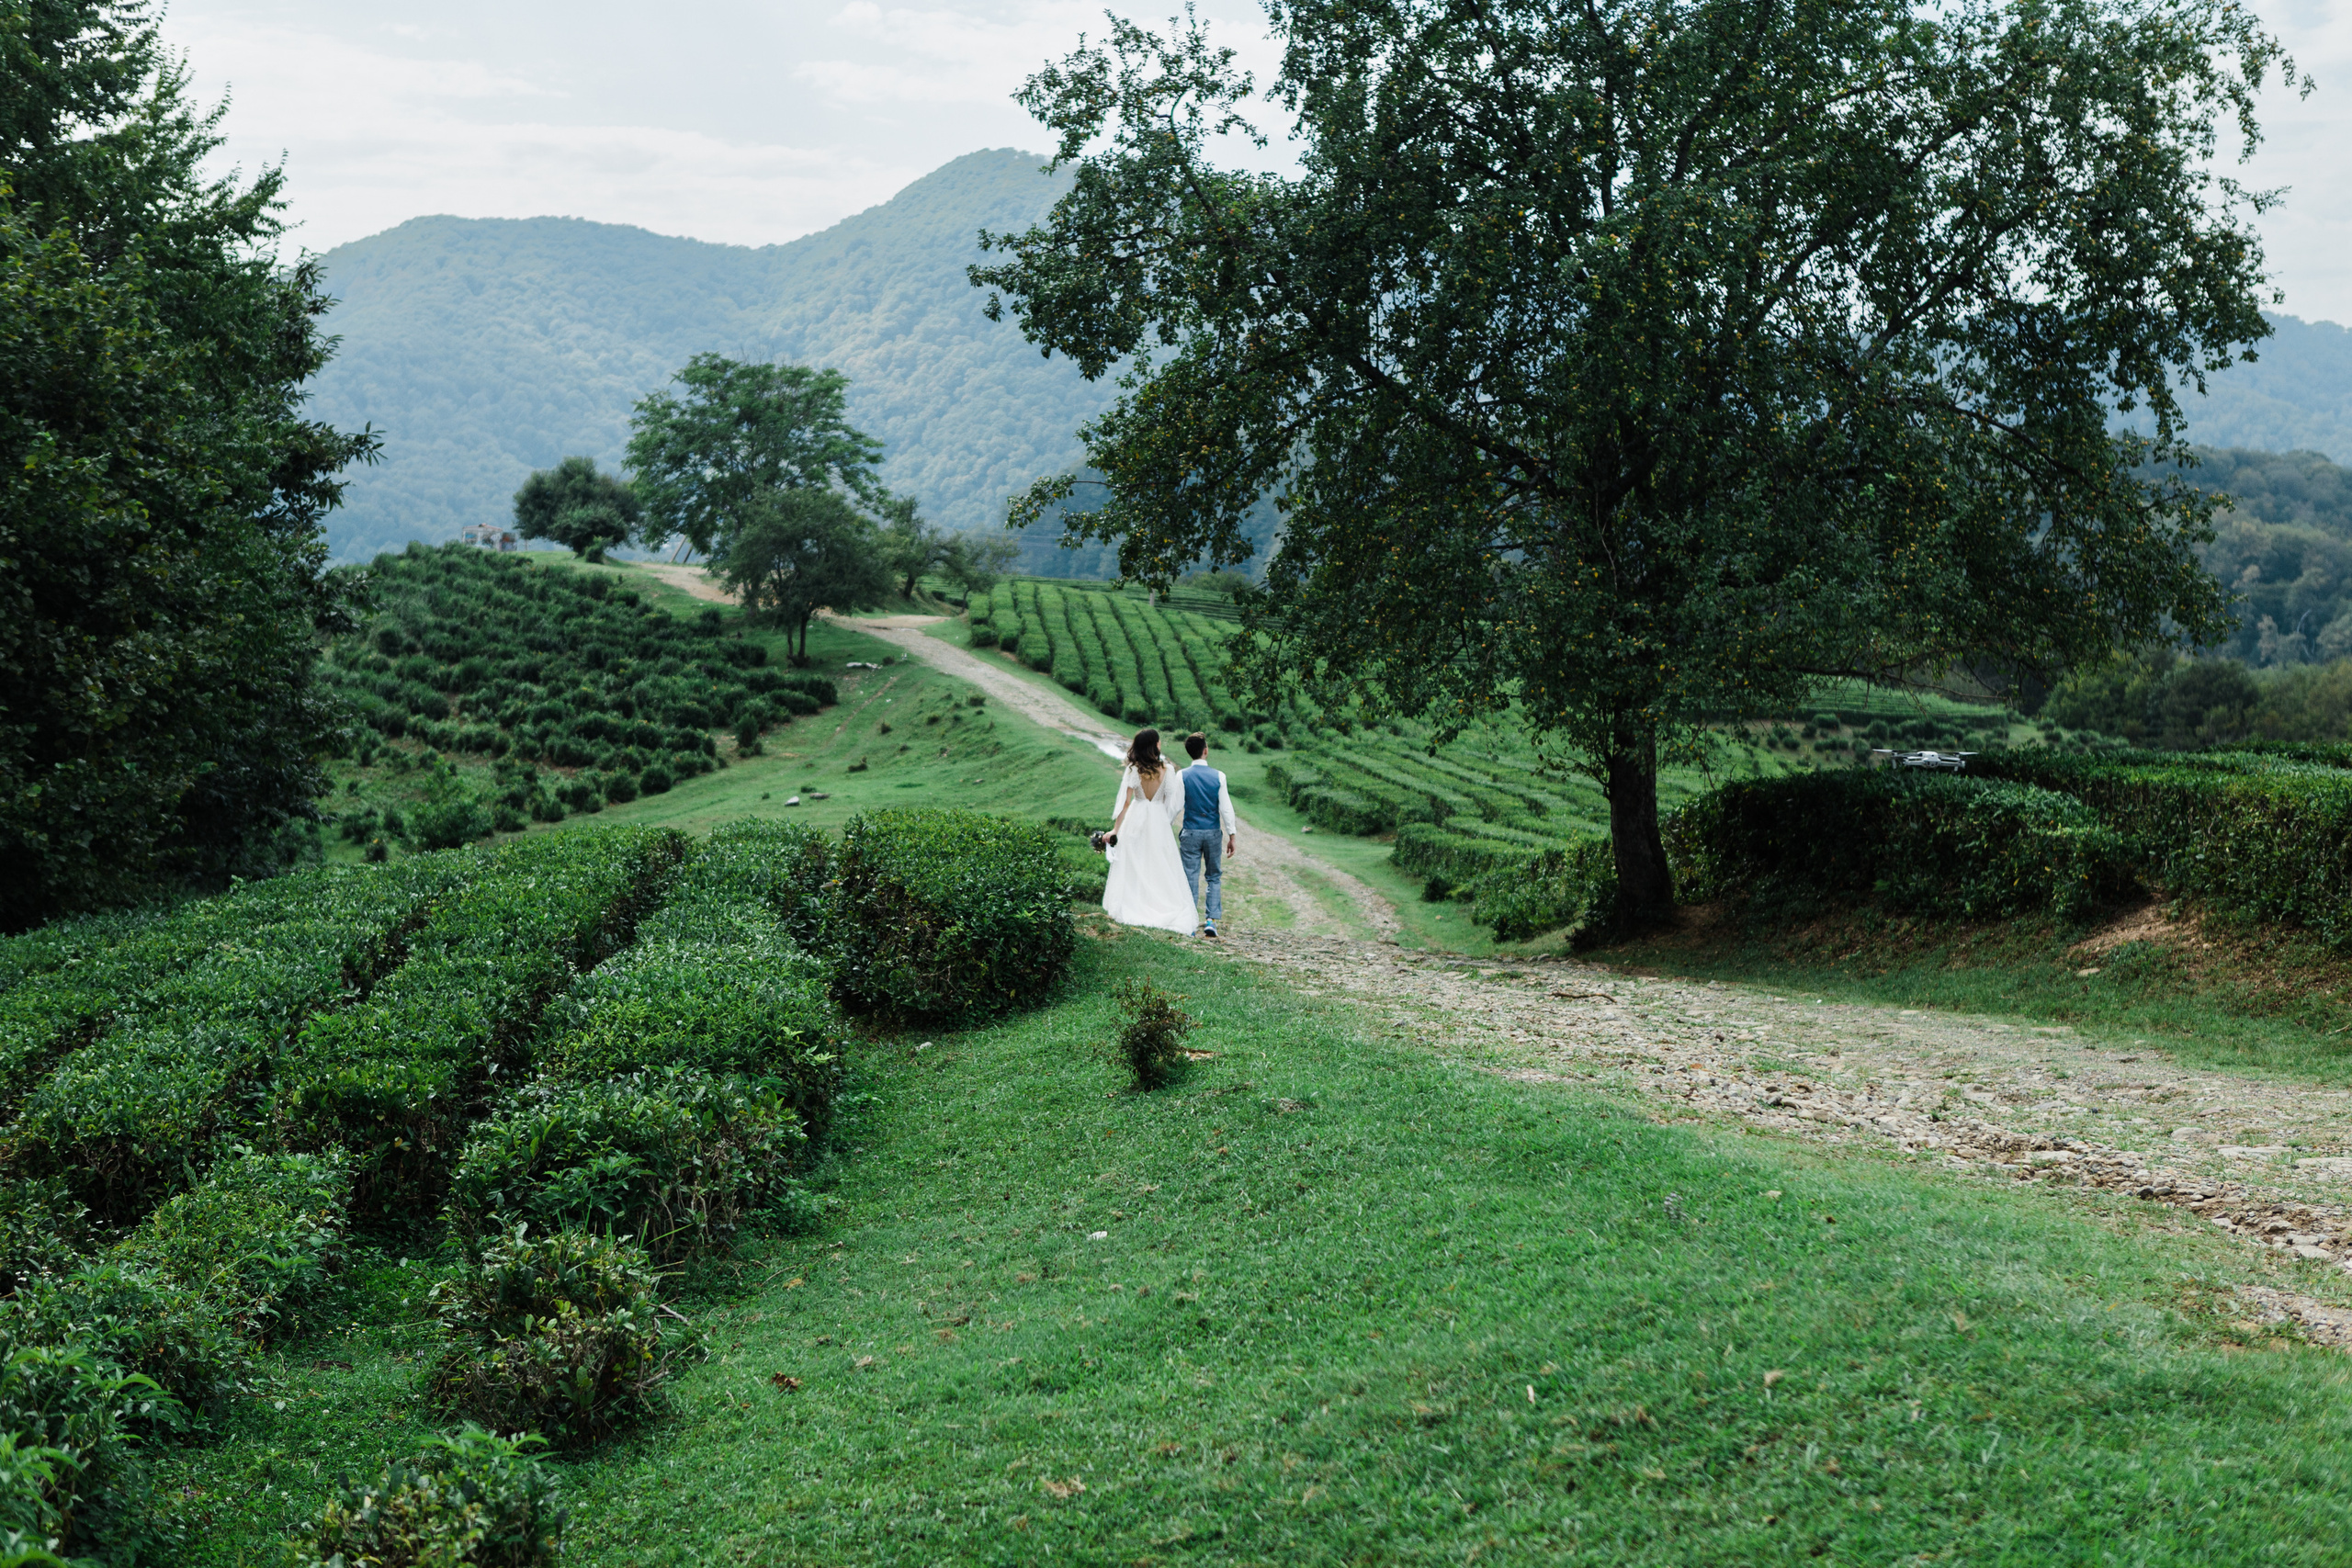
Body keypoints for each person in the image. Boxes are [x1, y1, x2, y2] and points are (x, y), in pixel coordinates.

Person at [1100, 728, 1197, 934]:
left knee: (1135, 861)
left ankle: (1136, 902)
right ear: (1154, 745)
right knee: (1159, 862)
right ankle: (1159, 904)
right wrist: (1164, 820)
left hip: (1137, 816)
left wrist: (1115, 829)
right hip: (1159, 819)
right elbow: (1170, 799)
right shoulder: (1167, 770)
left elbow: (1125, 803)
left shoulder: (1134, 770)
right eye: (1159, 741)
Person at [1177, 732, 1238, 938]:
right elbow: (1226, 808)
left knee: (1190, 876)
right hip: (1212, 832)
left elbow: (1175, 806)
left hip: (1191, 832)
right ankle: (1211, 921)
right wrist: (1232, 834)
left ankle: (1191, 923)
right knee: (1214, 877)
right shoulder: (1219, 776)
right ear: (1206, 751)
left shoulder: (1182, 775)